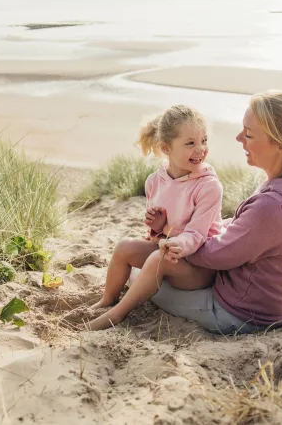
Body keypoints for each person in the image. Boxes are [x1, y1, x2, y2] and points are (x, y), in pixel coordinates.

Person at [89, 90, 282, 334]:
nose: (238, 138)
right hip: (274, 304)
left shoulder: (273, 207)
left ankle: (115, 315)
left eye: (248, 133)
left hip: (238, 312)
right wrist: (180, 232)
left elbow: (220, 255)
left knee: (140, 275)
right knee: (142, 256)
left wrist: (176, 240)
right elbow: (250, 235)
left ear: (280, 144)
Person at [86, 105, 224, 330]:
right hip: (169, 252)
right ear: (166, 148)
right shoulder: (154, 181)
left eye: (204, 140)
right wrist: (158, 228)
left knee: (157, 258)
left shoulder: (209, 186)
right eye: (190, 143)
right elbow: (162, 233)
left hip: (199, 267)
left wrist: (176, 243)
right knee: (124, 247)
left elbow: (197, 234)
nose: (200, 149)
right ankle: (107, 300)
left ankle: (117, 314)